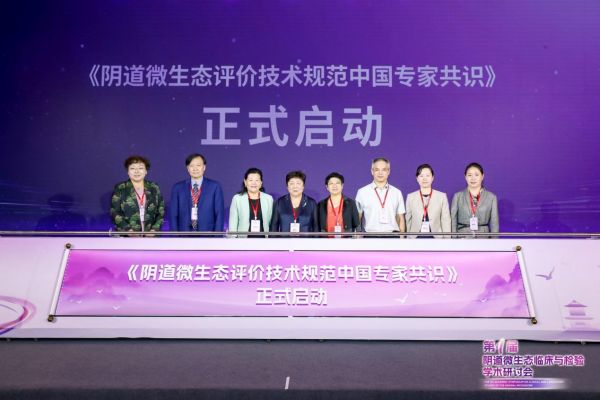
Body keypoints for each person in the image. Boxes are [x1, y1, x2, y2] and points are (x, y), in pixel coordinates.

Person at [169, 153, 224, 232]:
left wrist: (217, 236)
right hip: (183, 234)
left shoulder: (215, 187)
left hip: (207, 234)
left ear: (204, 167)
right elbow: (173, 215)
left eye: (198, 165)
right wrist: (174, 236)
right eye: (192, 166)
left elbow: (219, 214)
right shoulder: (178, 188)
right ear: (188, 168)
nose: (195, 169)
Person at [111, 155, 164, 232]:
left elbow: (161, 210)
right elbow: (115, 212)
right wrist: (128, 230)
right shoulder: (120, 188)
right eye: (132, 168)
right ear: (128, 172)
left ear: (146, 171)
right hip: (127, 234)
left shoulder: (154, 187)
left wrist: (154, 229)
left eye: (140, 168)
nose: (136, 171)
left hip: (150, 233)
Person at [355, 158, 406, 234]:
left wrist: (402, 238)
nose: (380, 173)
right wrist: (357, 237)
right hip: (370, 236)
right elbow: (358, 218)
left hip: (393, 236)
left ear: (388, 171)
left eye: (384, 170)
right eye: (377, 170)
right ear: (372, 171)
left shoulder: (397, 192)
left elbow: (401, 218)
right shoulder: (362, 192)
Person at [451, 162, 499, 234]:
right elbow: (453, 221)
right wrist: (453, 239)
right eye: (469, 175)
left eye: (476, 175)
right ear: (465, 177)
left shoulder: (491, 197)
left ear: (482, 176)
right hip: (462, 237)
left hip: (483, 237)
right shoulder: (457, 196)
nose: (473, 178)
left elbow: (494, 224)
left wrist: (494, 240)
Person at [405, 164, 451, 237]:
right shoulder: (410, 197)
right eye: (421, 176)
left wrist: (447, 239)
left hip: (437, 238)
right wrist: (408, 239)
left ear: (432, 178)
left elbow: (445, 220)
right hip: (415, 238)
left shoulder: (441, 196)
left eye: (427, 175)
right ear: (417, 178)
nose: (424, 178)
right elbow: (408, 220)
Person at [228, 167, 273, 234]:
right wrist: (233, 239)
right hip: (243, 239)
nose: (254, 183)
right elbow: (233, 224)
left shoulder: (268, 199)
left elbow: (271, 223)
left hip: (264, 239)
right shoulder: (237, 199)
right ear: (245, 182)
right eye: (250, 180)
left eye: (257, 180)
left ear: (261, 183)